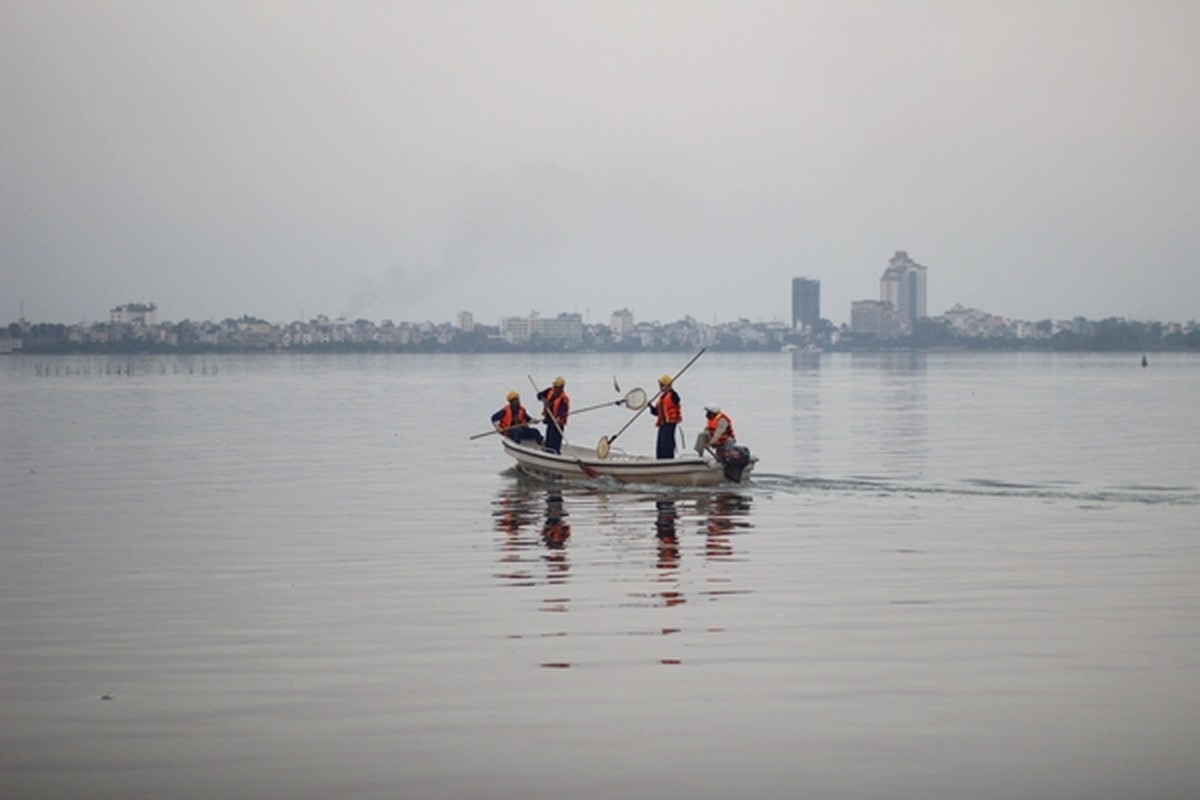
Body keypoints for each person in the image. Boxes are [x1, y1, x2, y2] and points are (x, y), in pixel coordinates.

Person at [648, 373, 682, 459]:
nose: (660, 387)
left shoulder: (673, 395)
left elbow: (677, 399)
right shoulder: (662, 398)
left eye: (661, 385)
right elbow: (657, 412)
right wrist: (651, 407)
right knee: (660, 445)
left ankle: (668, 459)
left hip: (670, 424)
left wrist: (670, 388)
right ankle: (660, 459)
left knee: (667, 444)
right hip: (662, 424)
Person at [536, 375, 570, 454]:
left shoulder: (564, 399)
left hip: (558, 422)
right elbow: (539, 395)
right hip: (550, 419)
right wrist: (543, 399)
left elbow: (563, 410)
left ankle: (556, 453)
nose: (555, 389)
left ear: (562, 388)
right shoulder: (549, 391)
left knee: (556, 439)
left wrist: (558, 417)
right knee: (549, 437)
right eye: (555, 386)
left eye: (557, 387)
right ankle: (548, 450)